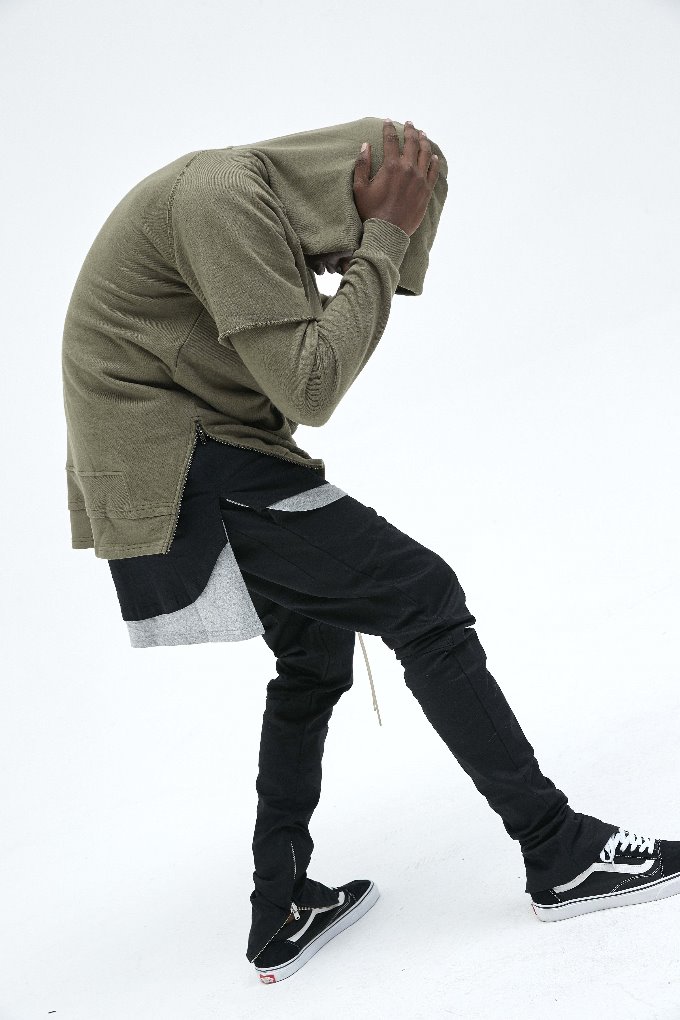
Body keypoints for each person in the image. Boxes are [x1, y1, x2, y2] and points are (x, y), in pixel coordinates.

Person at [61, 117, 680, 986]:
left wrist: (380, 241)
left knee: (315, 655)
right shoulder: (223, 197)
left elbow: (282, 379)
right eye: (353, 238)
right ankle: (561, 852)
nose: (336, 269)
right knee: (424, 595)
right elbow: (310, 387)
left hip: (194, 453)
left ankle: (280, 905)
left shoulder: (246, 201)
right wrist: (385, 238)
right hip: (179, 463)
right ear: (351, 184)